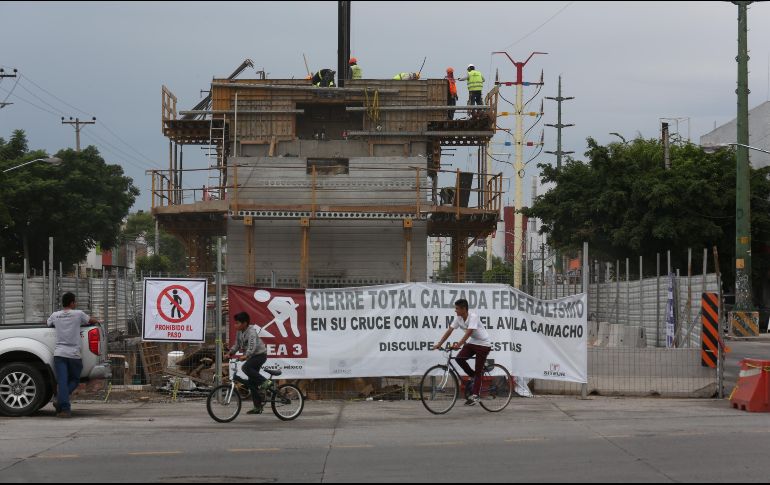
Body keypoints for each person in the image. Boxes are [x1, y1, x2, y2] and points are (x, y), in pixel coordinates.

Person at [47, 292, 100, 418]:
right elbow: (90, 320)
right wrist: (97, 319)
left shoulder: (55, 315)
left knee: (62, 382)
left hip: (59, 354)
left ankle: (62, 403)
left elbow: (48, 323)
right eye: (74, 302)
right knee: (75, 380)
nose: (75, 304)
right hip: (74, 355)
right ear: (71, 303)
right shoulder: (78, 314)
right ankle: (64, 406)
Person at [432, 298, 492, 406]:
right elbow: (449, 330)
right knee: (459, 358)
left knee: (478, 370)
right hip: (473, 342)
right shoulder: (458, 318)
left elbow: (469, 332)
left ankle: (475, 395)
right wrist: (439, 344)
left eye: (457, 309)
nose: (455, 311)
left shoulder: (473, 316)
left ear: (464, 309)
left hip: (483, 344)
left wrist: (459, 344)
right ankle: (474, 377)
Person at [227, 311, 270, 414]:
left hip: (260, 355)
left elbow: (252, 346)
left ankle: (265, 382)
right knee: (252, 384)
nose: (235, 325)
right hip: (252, 357)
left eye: (237, 323)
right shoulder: (239, 332)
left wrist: (246, 355)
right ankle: (258, 407)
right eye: (235, 323)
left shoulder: (251, 332)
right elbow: (237, 344)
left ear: (245, 323)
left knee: (245, 368)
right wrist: (230, 353)